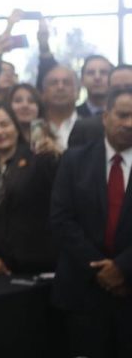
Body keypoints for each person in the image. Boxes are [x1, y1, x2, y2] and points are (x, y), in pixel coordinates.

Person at [51, 87, 132, 357]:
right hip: (83, 292)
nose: (129, 123)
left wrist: (122, 267)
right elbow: (61, 220)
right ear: (105, 116)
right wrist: (101, 269)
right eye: (122, 115)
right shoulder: (74, 160)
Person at [0, 103, 59, 275]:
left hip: (38, 262)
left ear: (16, 128)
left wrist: (55, 154)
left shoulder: (39, 158)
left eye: (4, 124)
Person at [69, 65, 132, 148]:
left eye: (129, 88)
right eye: (116, 89)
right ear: (108, 89)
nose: (123, 95)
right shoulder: (85, 128)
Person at [41, 64, 79, 151]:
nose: (60, 87)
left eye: (66, 83)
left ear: (77, 93)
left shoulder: (91, 125)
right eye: (54, 83)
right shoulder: (36, 125)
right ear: (44, 93)